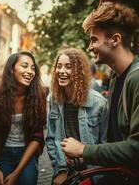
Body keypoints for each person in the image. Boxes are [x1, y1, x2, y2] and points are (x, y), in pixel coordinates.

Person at [61, 2, 139, 179]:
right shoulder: (116, 77)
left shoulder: (136, 79)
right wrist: (84, 157)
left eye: (94, 39)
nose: (89, 47)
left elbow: (136, 148)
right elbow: (114, 139)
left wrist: (84, 150)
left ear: (115, 40)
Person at [46, 47, 107, 185]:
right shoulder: (54, 99)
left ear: (79, 72)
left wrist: (93, 175)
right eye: (59, 66)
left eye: (68, 67)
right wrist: (61, 170)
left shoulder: (99, 103)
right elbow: (51, 139)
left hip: (92, 173)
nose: (61, 71)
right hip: (65, 173)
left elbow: (105, 144)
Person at [0, 51, 46, 185]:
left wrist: (17, 172)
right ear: (11, 69)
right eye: (24, 66)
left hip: (26, 154)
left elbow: (37, 137)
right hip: (2, 154)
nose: (30, 71)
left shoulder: (38, 96)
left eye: (33, 68)